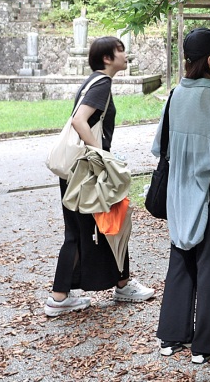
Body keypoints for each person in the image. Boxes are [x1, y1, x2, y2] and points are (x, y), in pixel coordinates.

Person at [154, 28, 210, 365]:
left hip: (178, 189)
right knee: (209, 263)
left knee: (180, 255)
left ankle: (172, 335)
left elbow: (159, 146)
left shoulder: (176, 93)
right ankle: (207, 343)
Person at [45, 36, 155, 317]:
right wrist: (102, 155)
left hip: (78, 170)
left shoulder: (93, 81)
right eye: (121, 51)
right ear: (107, 58)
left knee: (111, 220)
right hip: (86, 171)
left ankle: (121, 283)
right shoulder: (102, 83)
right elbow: (79, 120)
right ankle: (59, 297)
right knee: (91, 227)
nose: (126, 55)